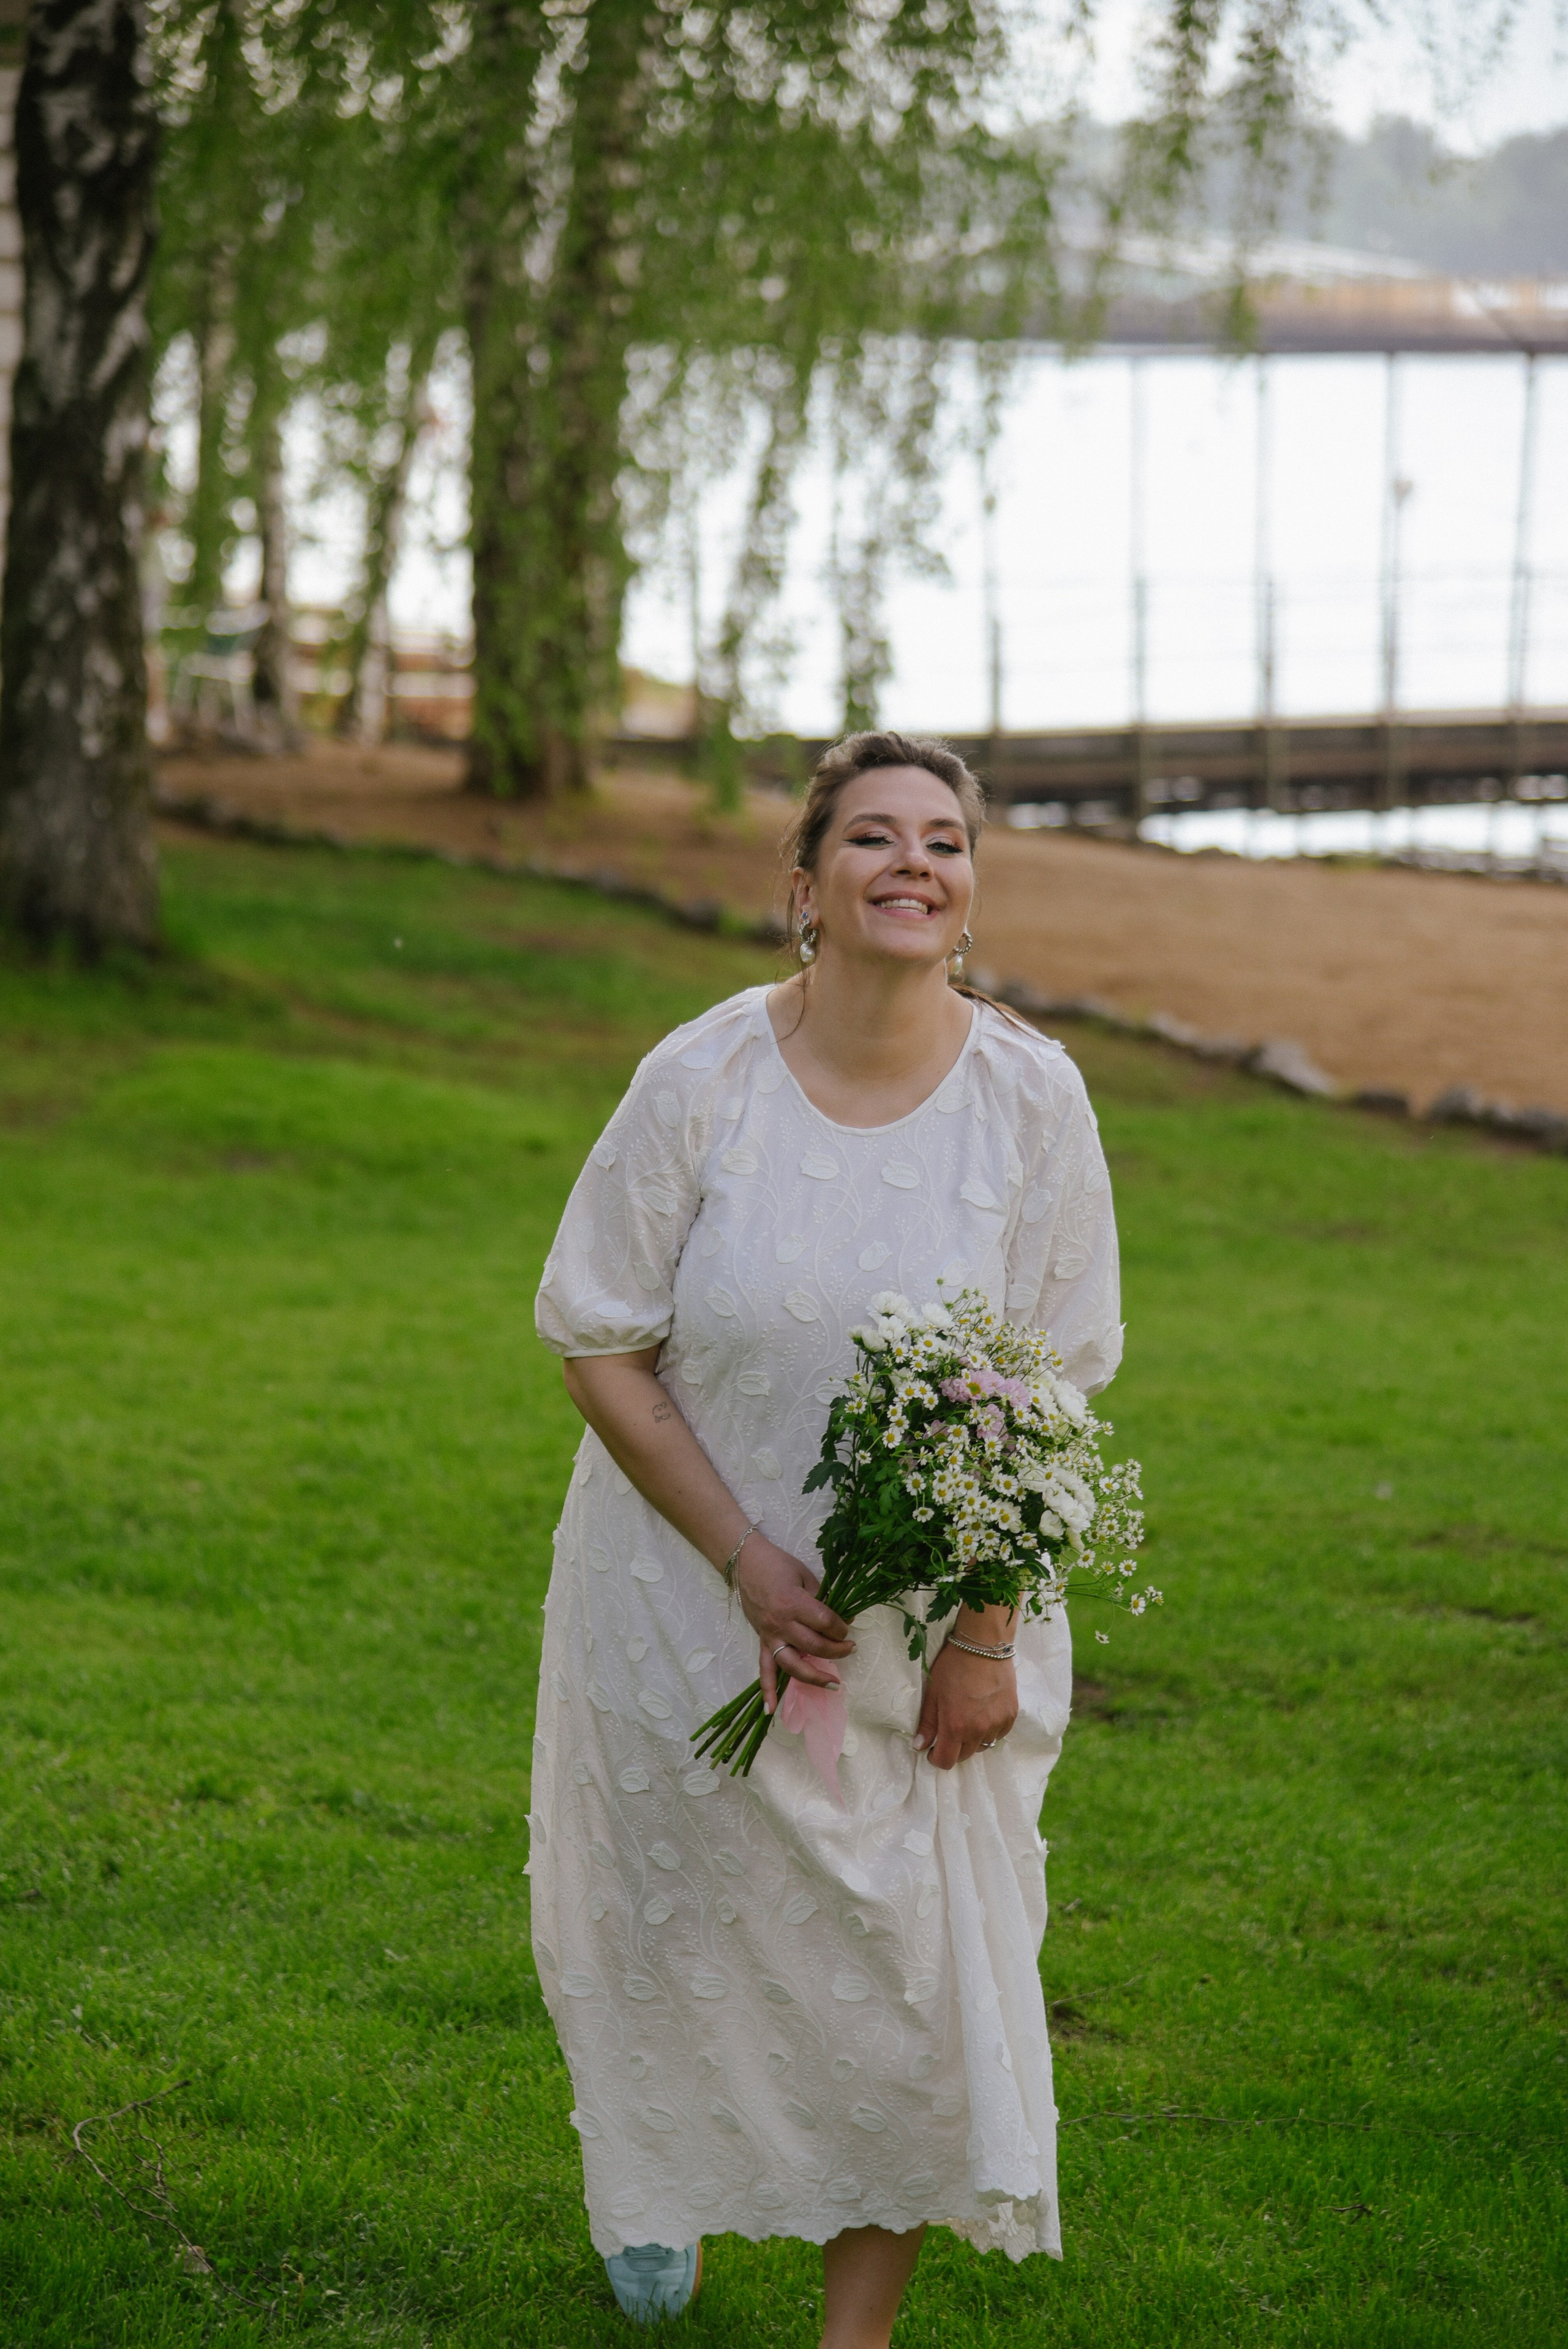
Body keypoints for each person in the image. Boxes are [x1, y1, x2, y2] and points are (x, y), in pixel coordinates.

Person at [530, 731, 1122, 2347]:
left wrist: (986, 1632)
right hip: (681, 1595)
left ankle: (847, 2339)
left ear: (971, 892)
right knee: (681, 1934)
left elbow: (1052, 1379)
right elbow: (597, 1332)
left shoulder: (1031, 1099)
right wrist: (740, 1556)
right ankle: (664, 2185)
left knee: (909, 1987)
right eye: (873, 836)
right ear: (807, 887)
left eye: (946, 840)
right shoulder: (699, 1077)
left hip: (925, 1636)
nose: (914, 862)